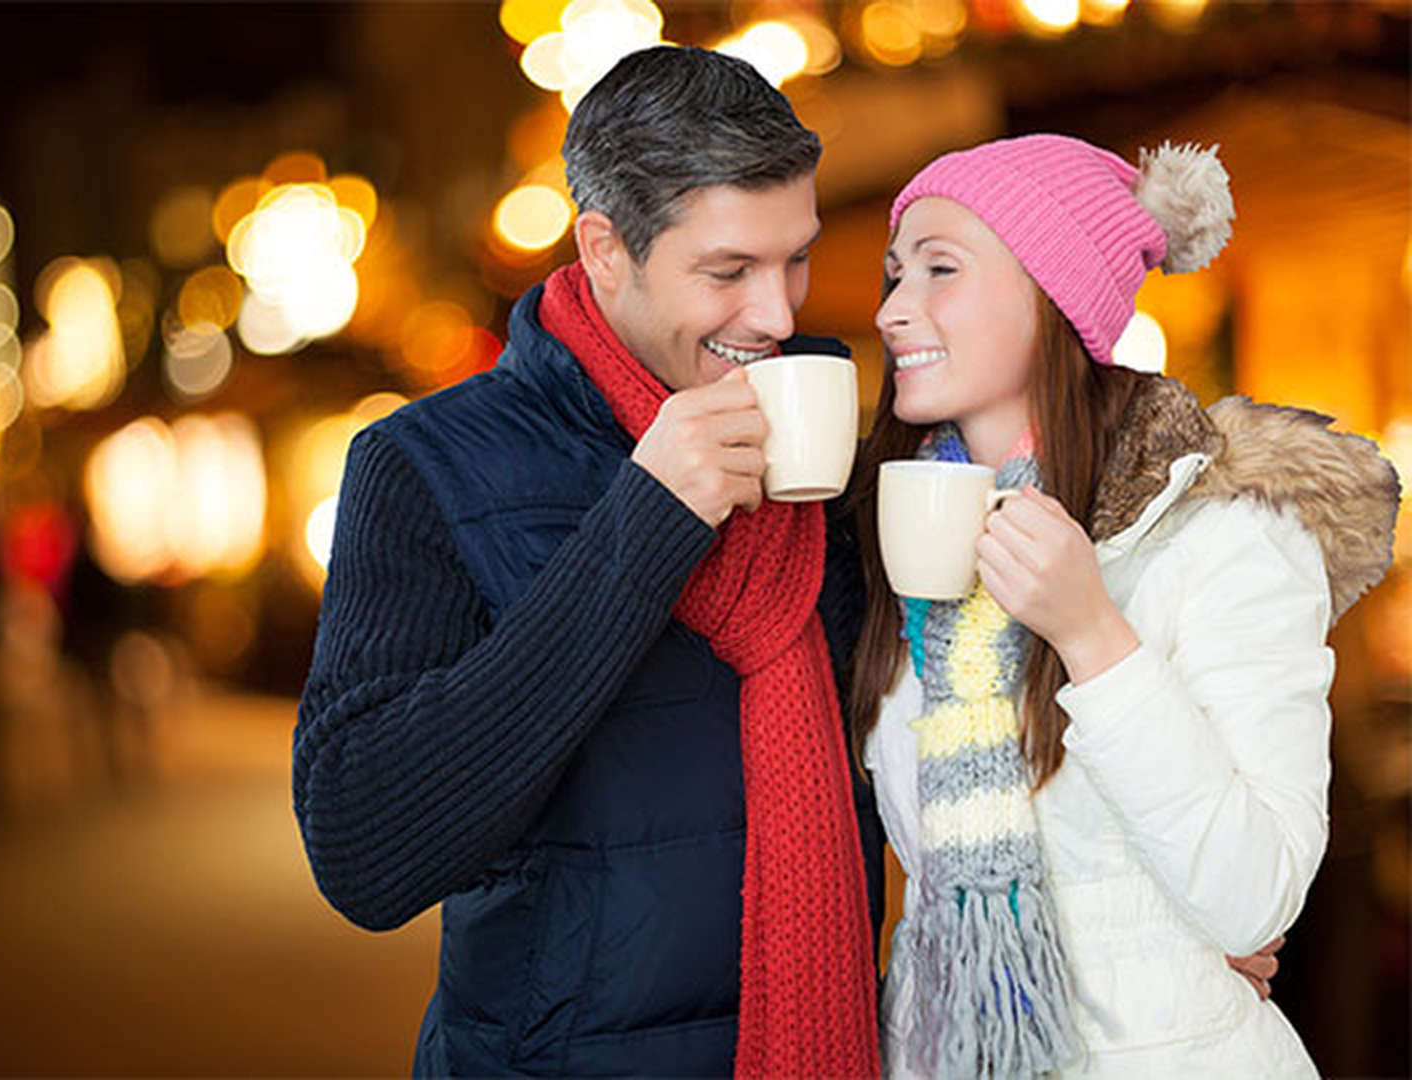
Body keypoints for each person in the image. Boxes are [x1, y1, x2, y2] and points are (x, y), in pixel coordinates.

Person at [293, 46, 883, 1078]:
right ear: (605, 249)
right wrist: (645, 525)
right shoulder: (421, 465)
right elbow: (364, 854)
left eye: (794, 257)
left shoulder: (827, 458)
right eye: (727, 271)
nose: (780, 314)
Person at [848, 133, 1400, 1077]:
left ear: (1052, 296)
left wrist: (1092, 633)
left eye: (940, 270)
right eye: (895, 275)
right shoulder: (898, 532)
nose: (896, 310)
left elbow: (1254, 895)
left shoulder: (1225, 537)